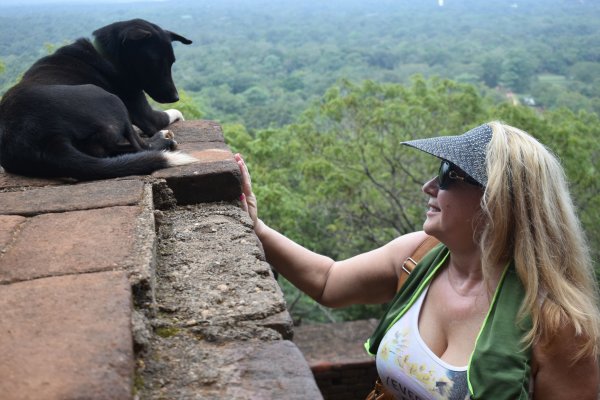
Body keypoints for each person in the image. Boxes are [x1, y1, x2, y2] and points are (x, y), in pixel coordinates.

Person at [234, 121, 600, 399]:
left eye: (447, 175)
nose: (428, 186)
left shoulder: (558, 326)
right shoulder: (417, 255)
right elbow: (329, 281)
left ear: (499, 200)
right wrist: (258, 227)